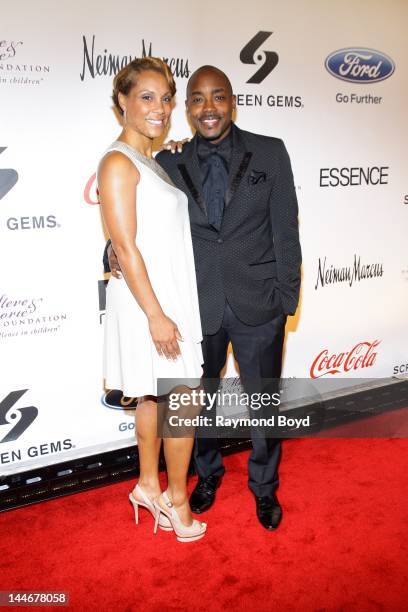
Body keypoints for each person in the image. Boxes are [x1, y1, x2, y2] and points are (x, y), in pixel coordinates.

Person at [105, 65, 302, 530]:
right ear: (187, 109)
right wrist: (111, 249)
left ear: (233, 101)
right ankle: (206, 474)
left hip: (259, 304)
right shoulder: (169, 162)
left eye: (218, 97)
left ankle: (264, 487)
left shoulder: (270, 153)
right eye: (196, 98)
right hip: (195, 305)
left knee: (264, 402)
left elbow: (286, 231)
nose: (207, 107)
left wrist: (284, 300)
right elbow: (139, 222)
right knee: (192, 402)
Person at [98, 57, 206, 542]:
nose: (160, 107)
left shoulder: (151, 161)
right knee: (182, 400)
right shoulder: (118, 161)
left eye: (166, 98)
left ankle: (146, 484)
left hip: (161, 296)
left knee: (151, 394)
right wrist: (158, 315)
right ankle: (178, 501)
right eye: (146, 96)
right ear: (122, 101)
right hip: (152, 302)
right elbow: (125, 245)